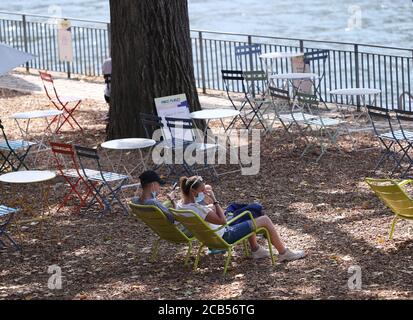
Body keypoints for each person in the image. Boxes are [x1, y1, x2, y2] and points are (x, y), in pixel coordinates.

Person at [176, 176, 307, 262]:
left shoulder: (181, 206)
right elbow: (223, 222)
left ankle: (256, 250)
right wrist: (215, 200)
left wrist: (209, 207)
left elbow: (204, 215)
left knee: (247, 214)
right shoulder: (199, 209)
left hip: (209, 238)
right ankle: (284, 253)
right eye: (203, 191)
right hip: (225, 236)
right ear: (193, 192)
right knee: (265, 219)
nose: (205, 193)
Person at [131, 170, 191, 237]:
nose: (159, 187)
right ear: (153, 185)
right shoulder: (153, 203)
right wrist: (173, 201)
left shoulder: (134, 201)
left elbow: (146, 200)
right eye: (158, 184)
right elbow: (175, 218)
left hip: (161, 232)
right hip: (178, 232)